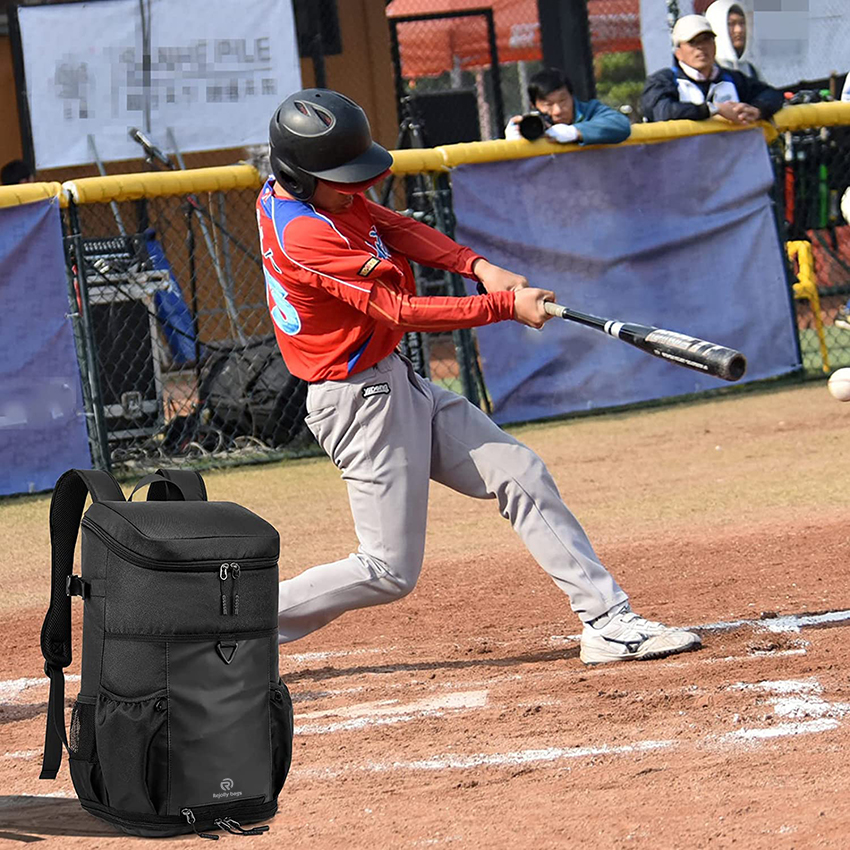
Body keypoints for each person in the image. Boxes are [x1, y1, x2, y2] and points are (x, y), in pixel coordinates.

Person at [257, 88, 701, 665]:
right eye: (346, 178)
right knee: (389, 570)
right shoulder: (306, 233)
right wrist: (503, 307)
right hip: (357, 402)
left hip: (394, 380)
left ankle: (607, 620)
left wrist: (479, 267)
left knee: (519, 472)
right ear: (299, 175)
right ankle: (234, 623)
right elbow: (400, 312)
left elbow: (394, 226)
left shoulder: (324, 196)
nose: (360, 188)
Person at [641, 15, 783, 124]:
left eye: (706, 39)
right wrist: (713, 110)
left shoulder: (732, 78)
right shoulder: (663, 81)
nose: (701, 47)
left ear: (715, 45)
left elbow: (772, 94)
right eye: (692, 42)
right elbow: (662, 112)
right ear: (678, 52)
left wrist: (757, 110)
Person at [505, 68, 631, 146]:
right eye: (548, 105)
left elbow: (621, 125)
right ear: (534, 105)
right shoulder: (531, 126)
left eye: (563, 100)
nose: (558, 110)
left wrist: (575, 132)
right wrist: (517, 144)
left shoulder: (590, 111)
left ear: (572, 96)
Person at [705, 1, 763, 81]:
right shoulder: (708, 71)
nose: (739, 30)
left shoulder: (750, 71)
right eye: (731, 24)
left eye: (742, 23)